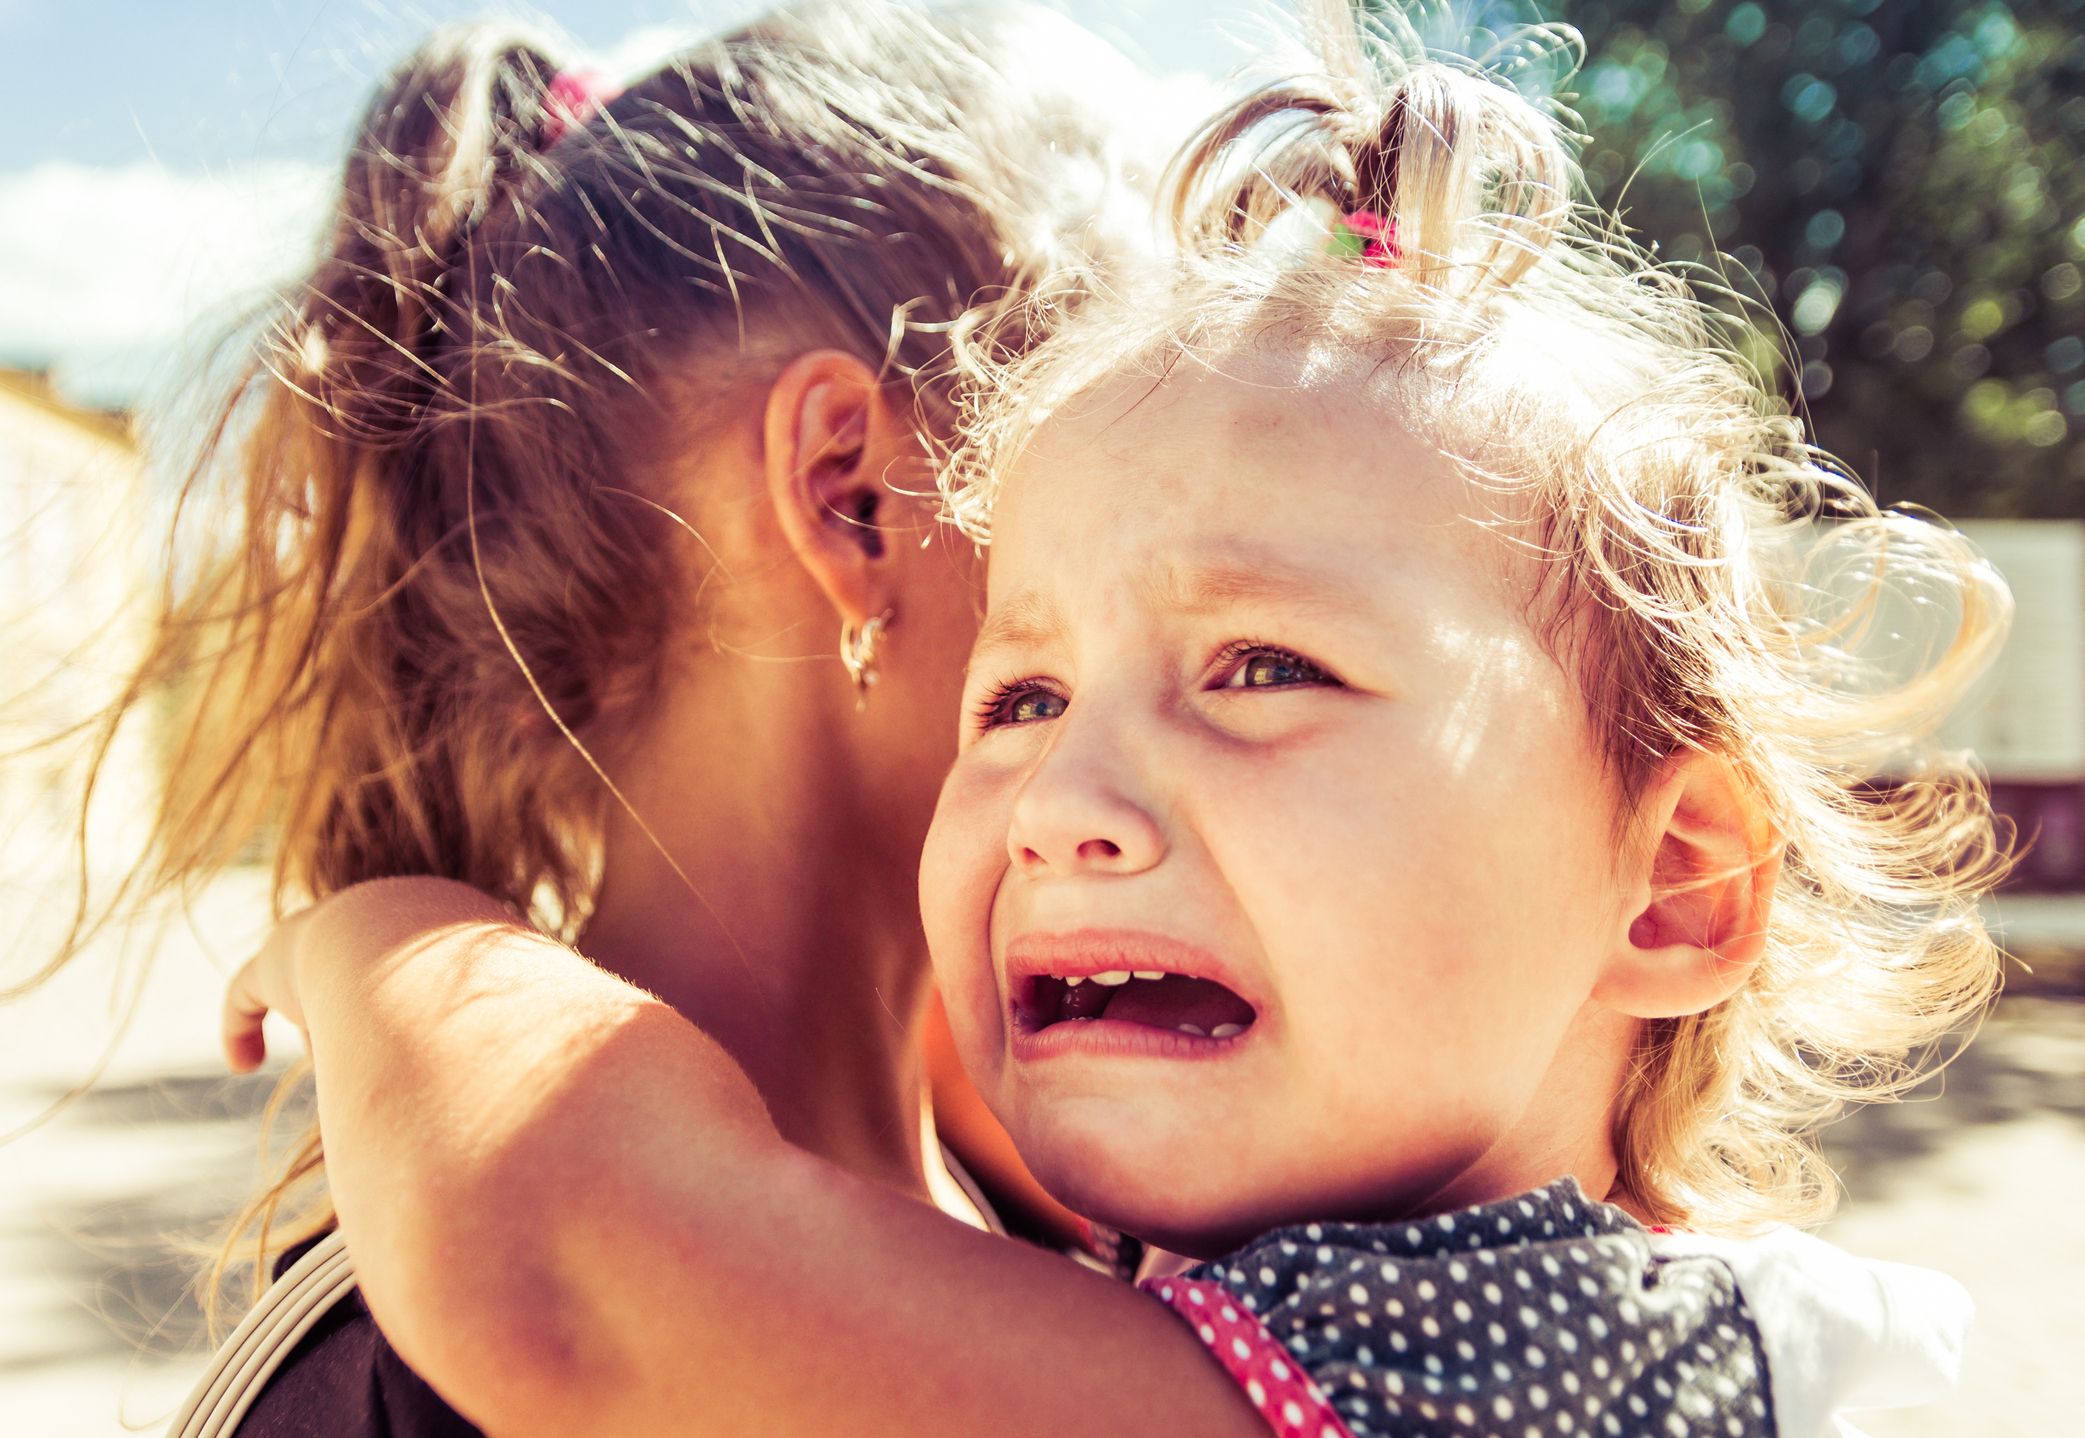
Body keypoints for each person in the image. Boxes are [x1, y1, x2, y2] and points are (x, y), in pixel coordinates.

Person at [220, 3, 2011, 1435]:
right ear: (863, 503)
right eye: (1028, 686)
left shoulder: (1477, 1351)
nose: (1068, 800)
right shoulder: (412, 1374)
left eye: (1259, 666)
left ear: (1675, 884)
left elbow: (577, 1268)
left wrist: (392, 935)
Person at [38, 4, 1168, 1434]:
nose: (1220, 518)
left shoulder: (1083, 1238)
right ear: (854, 495)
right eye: (1124, 425)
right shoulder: (447, 1370)